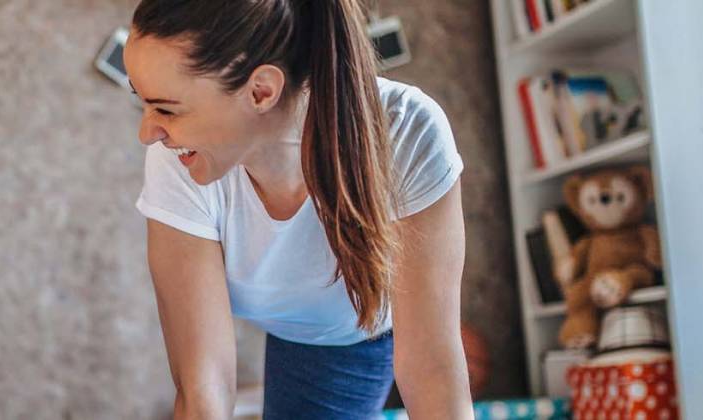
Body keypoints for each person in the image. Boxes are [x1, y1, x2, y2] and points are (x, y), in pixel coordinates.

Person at [127, 0, 473, 417]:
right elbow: (205, 389)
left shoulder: (407, 132)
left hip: (344, 336)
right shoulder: (180, 156)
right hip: (287, 317)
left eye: (165, 108)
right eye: (142, 102)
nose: (148, 133)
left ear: (261, 91)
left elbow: (431, 370)